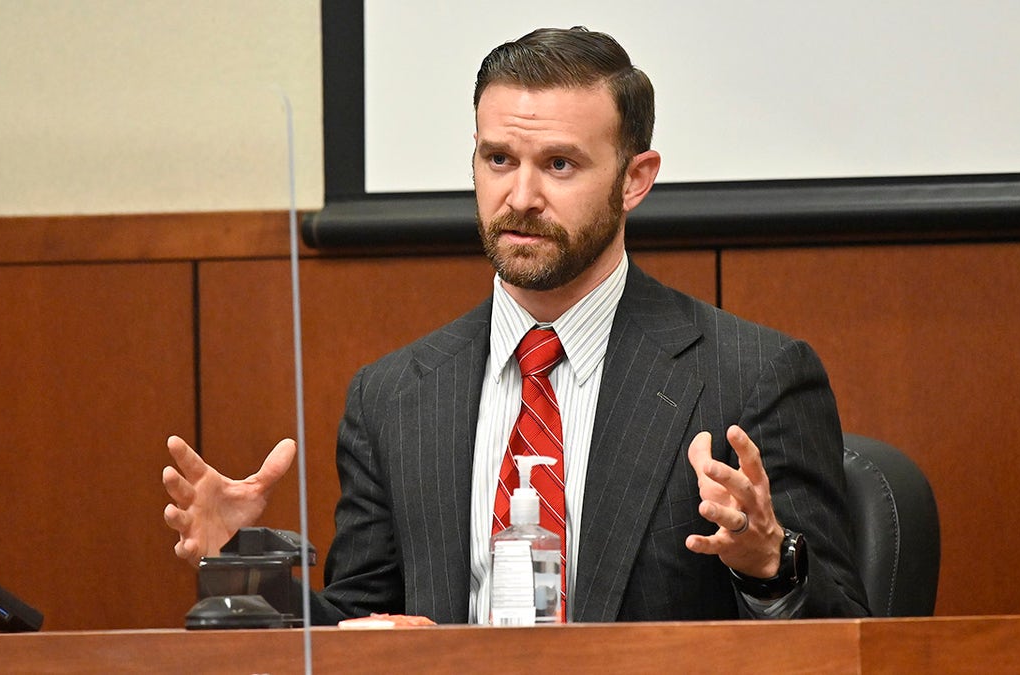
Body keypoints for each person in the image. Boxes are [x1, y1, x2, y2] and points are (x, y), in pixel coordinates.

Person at [162, 26, 869, 623]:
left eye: (559, 164)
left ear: (635, 178)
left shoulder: (752, 375)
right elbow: (359, 626)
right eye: (498, 159)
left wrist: (770, 563)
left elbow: (852, 634)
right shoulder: (393, 396)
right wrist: (246, 565)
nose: (521, 196)